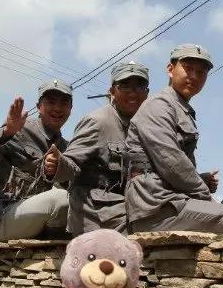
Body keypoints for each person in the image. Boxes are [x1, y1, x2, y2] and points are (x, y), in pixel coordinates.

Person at [125, 44, 223, 233]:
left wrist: (199, 179)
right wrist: (207, 198)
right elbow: (171, 162)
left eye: (201, 72)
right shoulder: (158, 106)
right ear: (170, 69)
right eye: (188, 68)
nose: (194, 76)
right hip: (158, 209)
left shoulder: (180, 108)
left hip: (173, 203)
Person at [50, 61, 150, 235]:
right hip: (96, 213)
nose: (133, 92)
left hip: (127, 207)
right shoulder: (98, 122)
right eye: (125, 86)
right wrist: (57, 165)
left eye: (139, 86)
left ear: (147, 93)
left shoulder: (145, 127)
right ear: (112, 92)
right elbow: (71, 163)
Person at [0, 80, 72, 241]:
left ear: (71, 109)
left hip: (30, 219)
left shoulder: (64, 147)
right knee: (60, 200)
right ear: (39, 106)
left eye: (64, 103)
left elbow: (76, 188)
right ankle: (52, 253)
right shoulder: (19, 129)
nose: (57, 108)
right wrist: (7, 131)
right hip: (0, 218)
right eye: (51, 102)